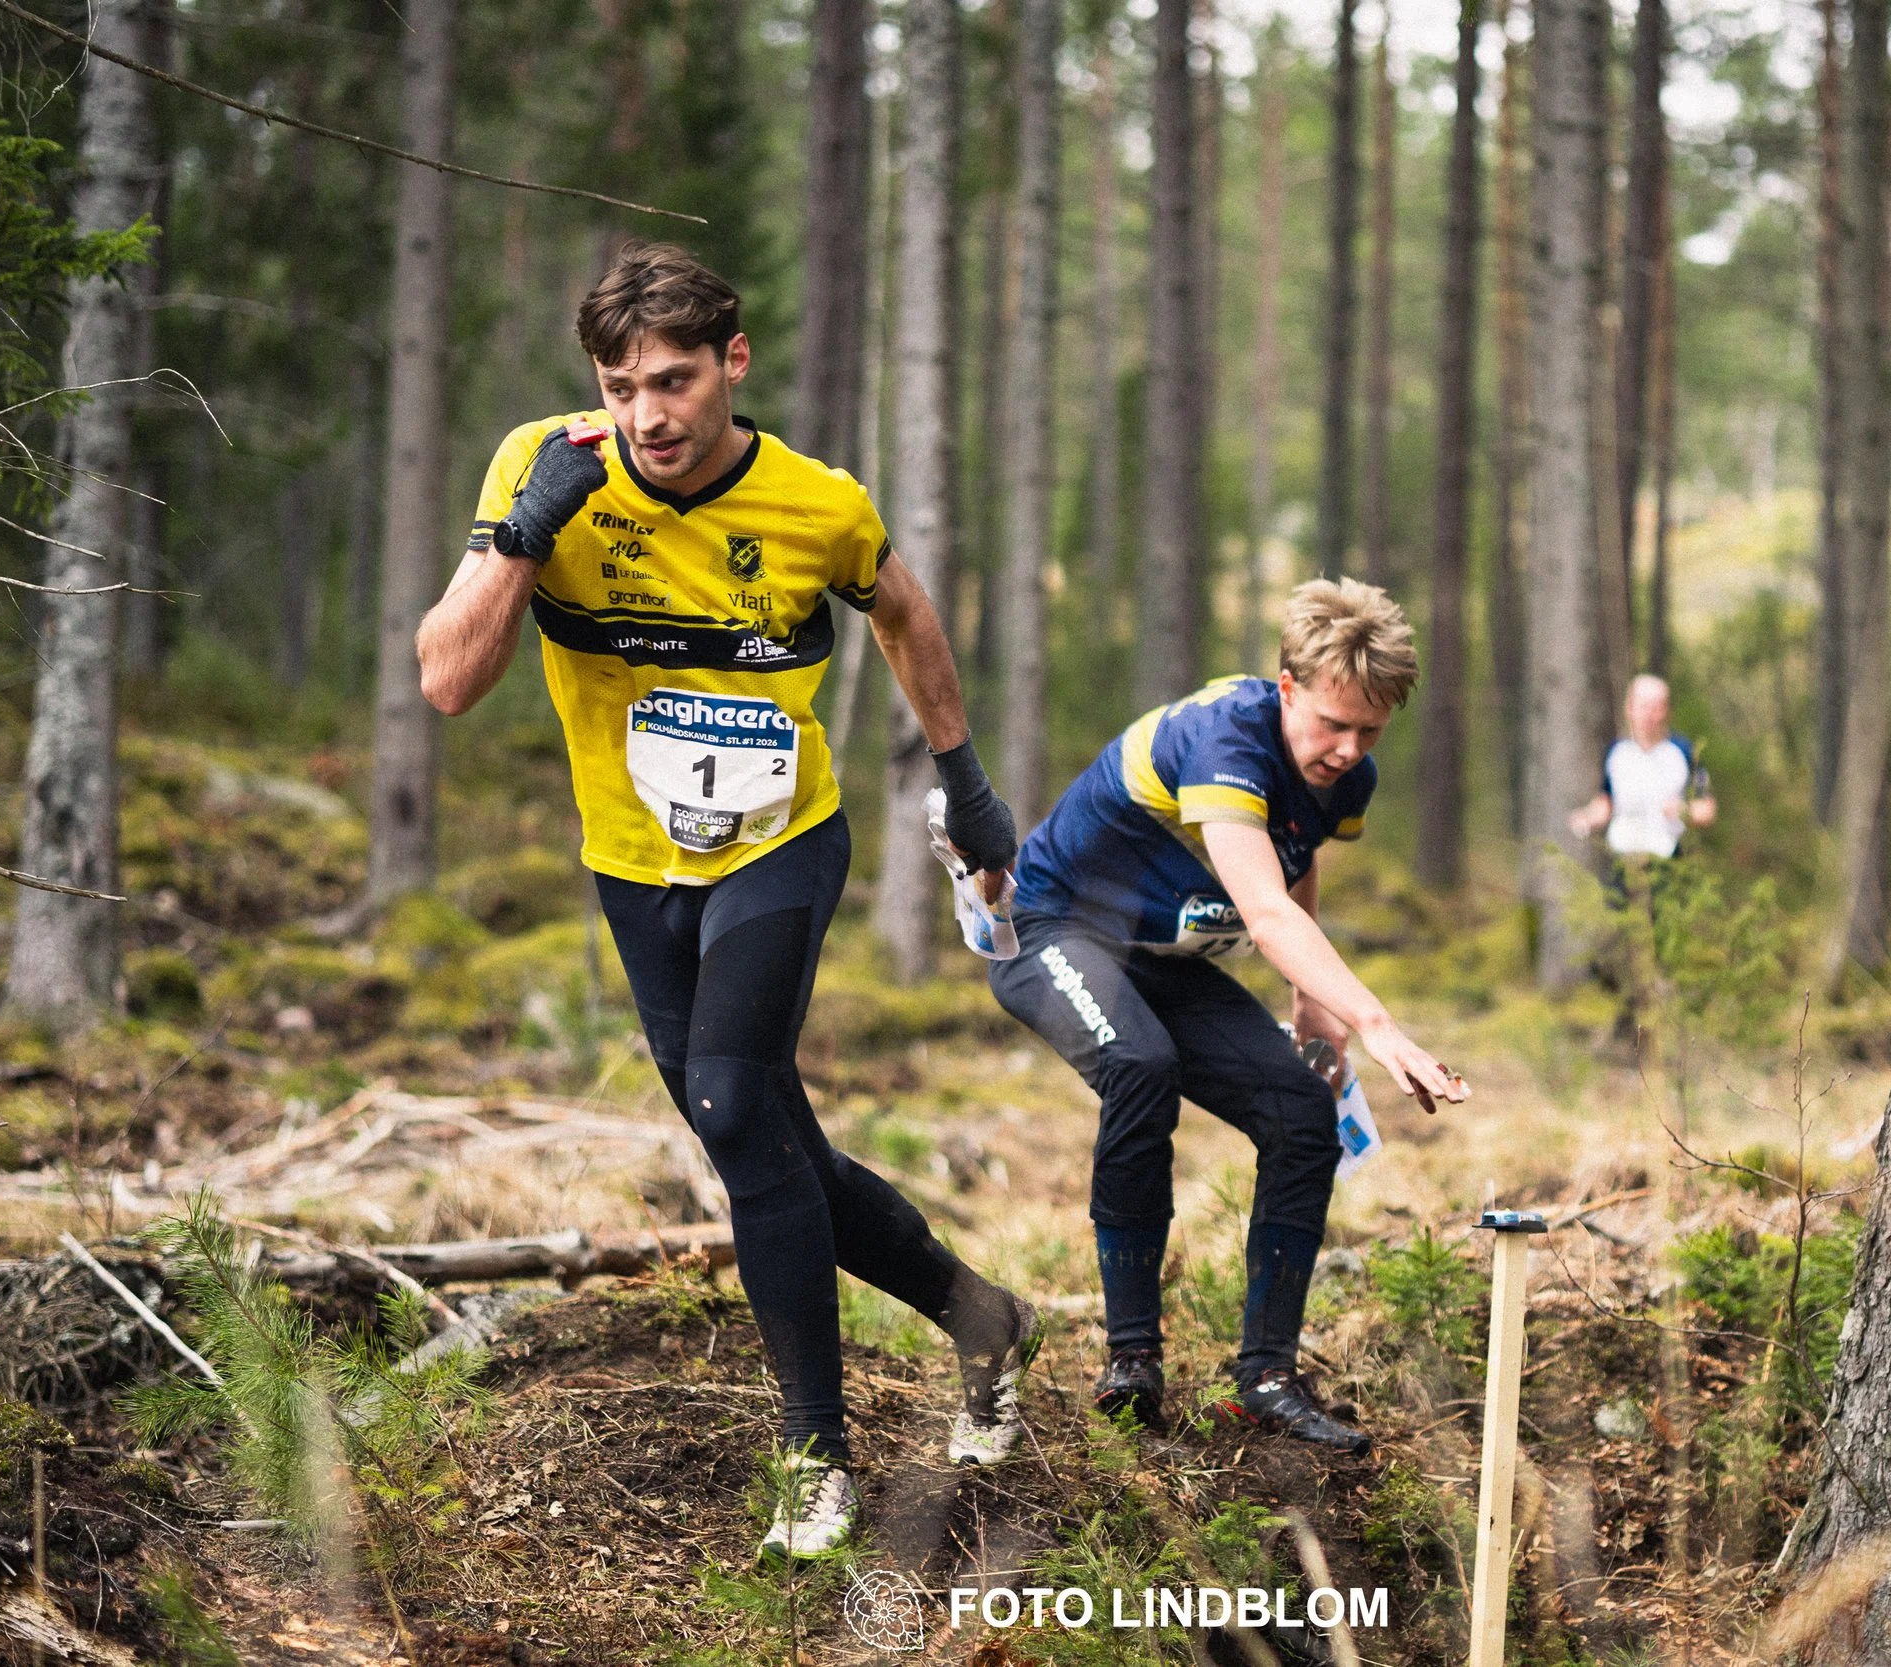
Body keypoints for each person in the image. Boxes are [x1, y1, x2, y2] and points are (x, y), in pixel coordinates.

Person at [415, 242, 1040, 1560]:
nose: (651, 412)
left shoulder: (817, 502)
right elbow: (446, 678)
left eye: (677, 379)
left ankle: (817, 1453)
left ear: (732, 363)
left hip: (779, 842)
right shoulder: (544, 464)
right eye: (623, 382)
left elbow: (905, 609)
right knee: (769, 1147)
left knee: (736, 1100)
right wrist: (525, 535)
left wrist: (966, 780)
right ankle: (978, 1312)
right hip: (632, 861)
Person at [988, 579, 1469, 1453]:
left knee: (1300, 1112)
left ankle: (1266, 1380)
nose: (1349, 748)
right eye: (1332, 722)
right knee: (1140, 1065)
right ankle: (1131, 1358)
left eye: (1370, 730)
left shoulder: (1346, 774)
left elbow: (1298, 864)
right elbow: (1270, 912)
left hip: (1164, 957)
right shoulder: (1226, 740)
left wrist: (1314, 1011)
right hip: (1052, 929)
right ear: (1287, 685)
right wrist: (1375, 1022)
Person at [1566, 675, 1716, 858]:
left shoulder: (1684, 752)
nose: (1649, 715)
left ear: (1667, 711)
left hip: (1669, 860)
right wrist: (1587, 818)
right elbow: (1607, 801)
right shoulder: (1617, 752)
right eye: (1643, 706)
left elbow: (1707, 809)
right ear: (1629, 708)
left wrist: (1684, 811)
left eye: (1656, 707)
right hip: (1622, 861)